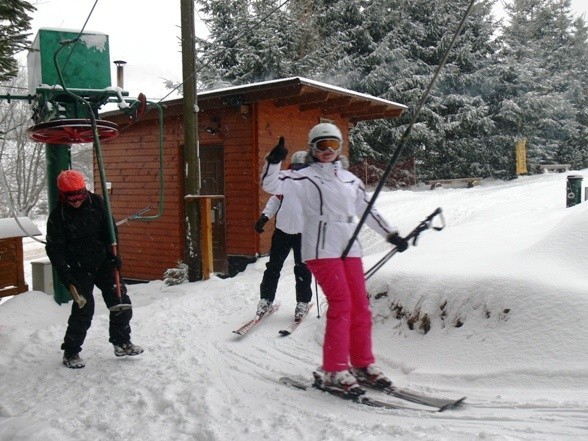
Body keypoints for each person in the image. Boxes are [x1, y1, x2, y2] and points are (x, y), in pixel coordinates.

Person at [260, 123, 409, 395]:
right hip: (320, 248)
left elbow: (367, 210)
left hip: (349, 246)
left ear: (339, 147)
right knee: (341, 303)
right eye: (321, 145)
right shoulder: (303, 178)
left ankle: (362, 364)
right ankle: (334, 368)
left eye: (332, 145)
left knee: (361, 306)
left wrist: (392, 234)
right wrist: (274, 160)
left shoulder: (351, 180)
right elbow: (270, 184)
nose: (327, 151)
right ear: (312, 148)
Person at [46, 170, 143, 369]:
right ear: (63, 195)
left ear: (85, 191)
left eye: (79, 197)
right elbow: (55, 248)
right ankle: (71, 351)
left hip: (104, 262)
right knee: (84, 309)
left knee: (120, 302)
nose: (76, 202)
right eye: (70, 198)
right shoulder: (58, 216)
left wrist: (115, 255)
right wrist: (65, 273)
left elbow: (110, 231)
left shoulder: (97, 203)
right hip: (78, 267)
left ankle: (122, 342)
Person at [254, 151, 313, 321]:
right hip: (282, 232)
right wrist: (264, 217)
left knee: (302, 269)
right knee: (273, 267)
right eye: (296, 167)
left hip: (303, 234)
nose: (298, 170)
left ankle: (302, 302)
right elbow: (275, 200)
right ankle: (266, 299)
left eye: (302, 167)